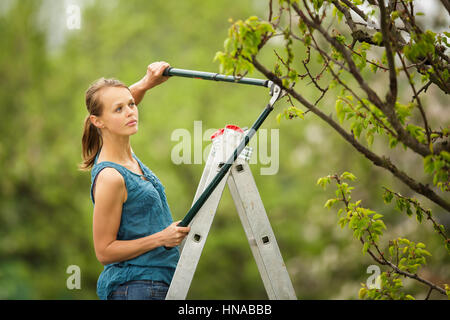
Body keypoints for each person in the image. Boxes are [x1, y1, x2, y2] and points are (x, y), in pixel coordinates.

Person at [79, 61, 190, 300]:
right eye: (120, 109)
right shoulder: (111, 176)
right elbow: (104, 251)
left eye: (131, 104)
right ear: (98, 122)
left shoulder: (122, 152)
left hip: (158, 283)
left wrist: (146, 83)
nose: (130, 111)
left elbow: (114, 105)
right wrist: (162, 238)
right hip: (136, 287)